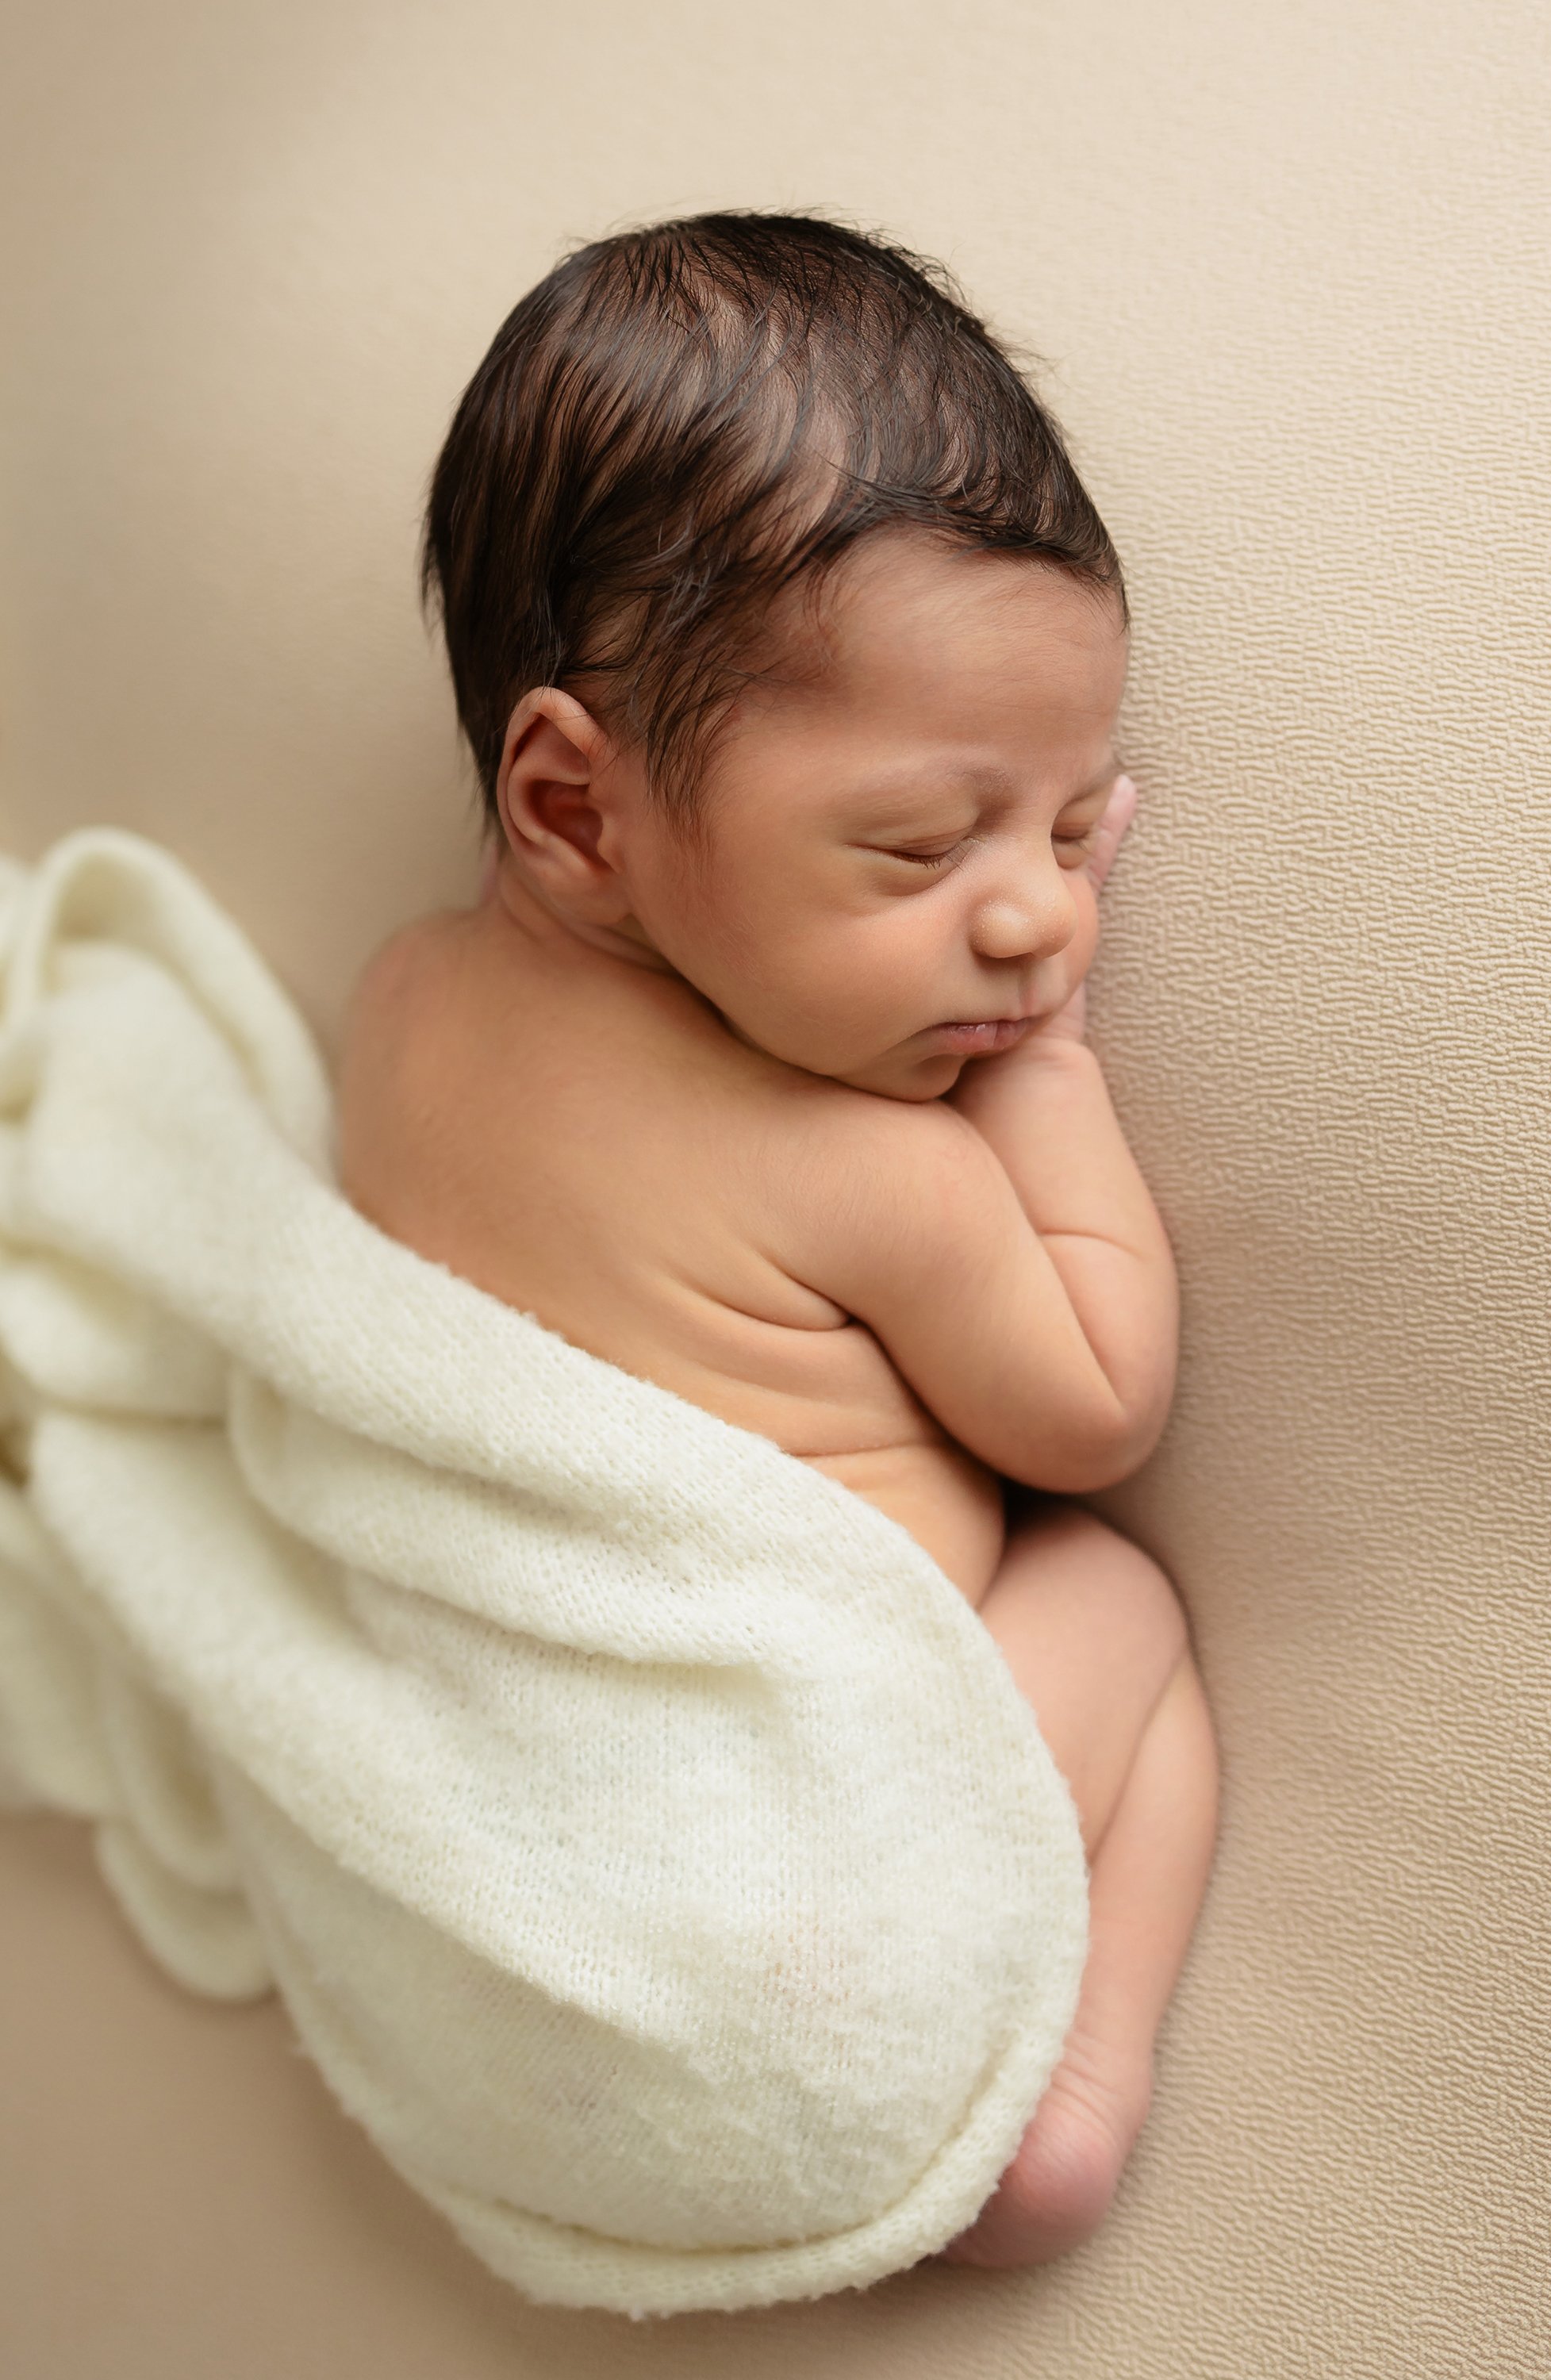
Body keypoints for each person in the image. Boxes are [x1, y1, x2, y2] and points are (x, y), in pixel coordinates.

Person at [337, 209, 1219, 2271]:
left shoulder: (391, 1007)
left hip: (505, 1926)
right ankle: (1077, 2092)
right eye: (923, 844)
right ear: (577, 811)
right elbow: (1097, 1408)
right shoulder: (873, 1168)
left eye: (1077, 828)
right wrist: (1054, 1089)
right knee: (1123, 1594)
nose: (1033, 921)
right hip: (817, 1923)